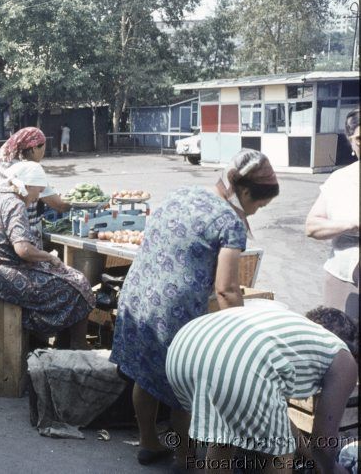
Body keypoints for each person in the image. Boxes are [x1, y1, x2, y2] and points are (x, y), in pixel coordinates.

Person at [109, 148, 279, 469]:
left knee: (145, 373)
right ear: (245, 193)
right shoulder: (229, 222)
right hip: (174, 312)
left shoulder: (182, 194)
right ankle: (185, 458)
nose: (256, 212)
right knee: (185, 388)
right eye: (259, 205)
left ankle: (148, 441)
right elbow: (227, 289)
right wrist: (246, 335)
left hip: (139, 297)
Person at [166, 303, 358, 474]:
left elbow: (280, 420)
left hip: (184, 350)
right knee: (281, 454)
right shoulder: (343, 356)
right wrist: (332, 468)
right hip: (235, 365)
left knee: (225, 435)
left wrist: (309, 455)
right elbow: (323, 443)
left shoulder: (289, 332)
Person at [0, 161, 94, 349]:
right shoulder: (14, 205)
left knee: (70, 279)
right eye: (38, 191)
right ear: (27, 185)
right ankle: (77, 345)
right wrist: (49, 257)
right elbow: (23, 249)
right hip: (9, 277)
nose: (37, 197)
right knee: (80, 284)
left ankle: (62, 343)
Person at [306, 108, 359, 320]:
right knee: (339, 336)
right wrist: (352, 224)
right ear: (351, 142)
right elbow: (312, 226)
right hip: (342, 278)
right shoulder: (339, 179)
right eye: (360, 139)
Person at [0, 127, 70, 246]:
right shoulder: (32, 172)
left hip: (0, 235)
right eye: (43, 149)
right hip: (24, 237)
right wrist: (78, 204)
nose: (43, 154)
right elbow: (59, 206)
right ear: (34, 149)